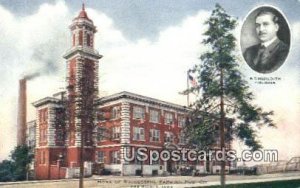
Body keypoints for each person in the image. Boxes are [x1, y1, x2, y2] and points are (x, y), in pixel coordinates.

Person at [243, 9, 289, 73]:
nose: (261, 29)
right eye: (258, 25)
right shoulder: (249, 52)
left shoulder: (285, 51)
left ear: (276, 27)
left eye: (265, 24)